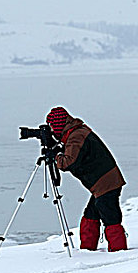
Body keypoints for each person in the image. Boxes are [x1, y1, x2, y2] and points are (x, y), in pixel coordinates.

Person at [46, 107, 128, 252]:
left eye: (52, 127)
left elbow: (69, 162)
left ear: (59, 125)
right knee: (91, 215)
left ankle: (119, 252)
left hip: (105, 182)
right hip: (104, 182)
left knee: (110, 218)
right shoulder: (76, 132)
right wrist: (58, 149)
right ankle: (87, 251)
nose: (52, 131)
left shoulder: (76, 136)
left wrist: (56, 156)